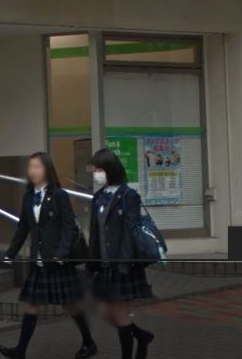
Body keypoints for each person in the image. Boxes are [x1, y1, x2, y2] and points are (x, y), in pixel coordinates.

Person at [0, 152, 96, 359]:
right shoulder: (28, 197)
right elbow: (23, 228)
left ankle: (89, 342)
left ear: (47, 170)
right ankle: (20, 351)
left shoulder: (59, 195)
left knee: (70, 304)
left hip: (58, 261)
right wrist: (10, 254)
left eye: (37, 167)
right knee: (31, 306)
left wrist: (61, 253)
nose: (32, 171)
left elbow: (69, 227)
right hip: (38, 261)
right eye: (30, 167)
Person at [87, 149, 155, 359]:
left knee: (120, 314)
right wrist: (91, 263)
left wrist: (124, 263)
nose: (96, 174)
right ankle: (141, 336)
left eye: (99, 169)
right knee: (103, 310)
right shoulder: (98, 197)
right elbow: (94, 233)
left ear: (111, 169)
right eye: (95, 170)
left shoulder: (128, 195)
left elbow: (129, 231)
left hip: (122, 264)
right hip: (103, 264)